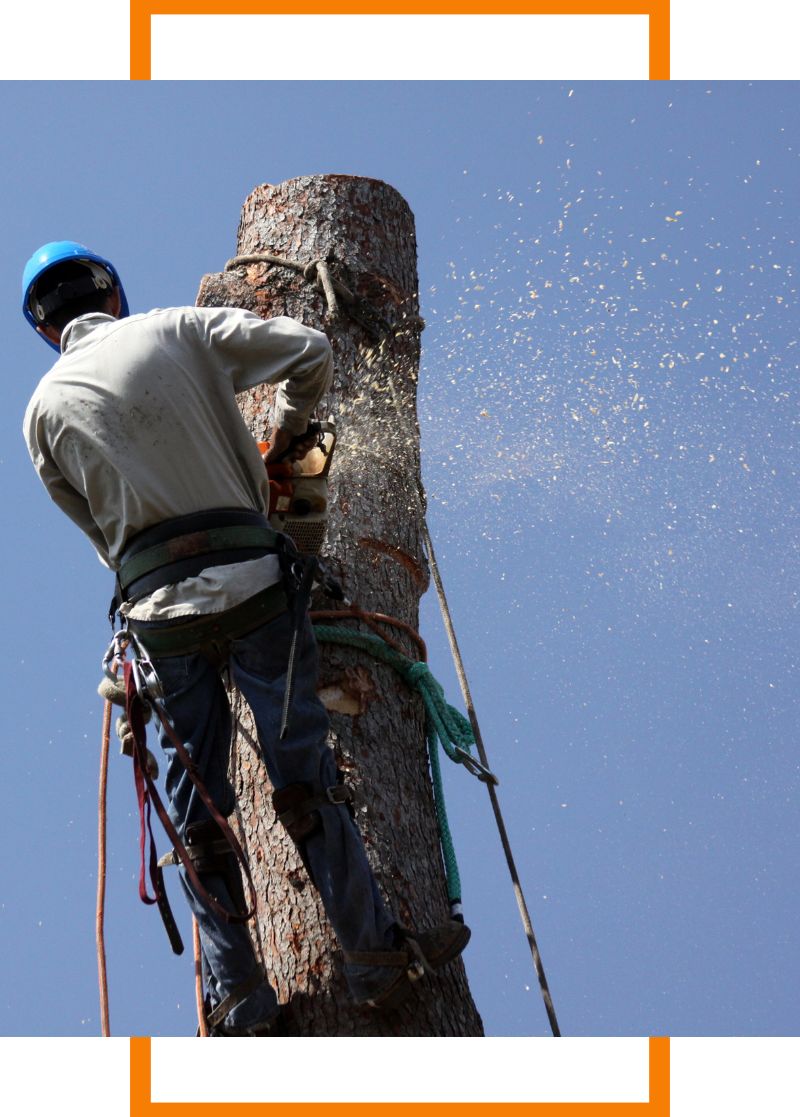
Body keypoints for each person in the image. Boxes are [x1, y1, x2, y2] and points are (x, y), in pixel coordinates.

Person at [21, 241, 469, 1035]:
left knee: (198, 809)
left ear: (43, 326)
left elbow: (101, 536)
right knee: (302, 776)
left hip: (154, 612)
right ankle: (375, 957)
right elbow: (311, 349)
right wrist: (287, 448)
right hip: (256, 582)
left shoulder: (42, 412)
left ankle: (239, 998)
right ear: (111, 295)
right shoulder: (175, 329)